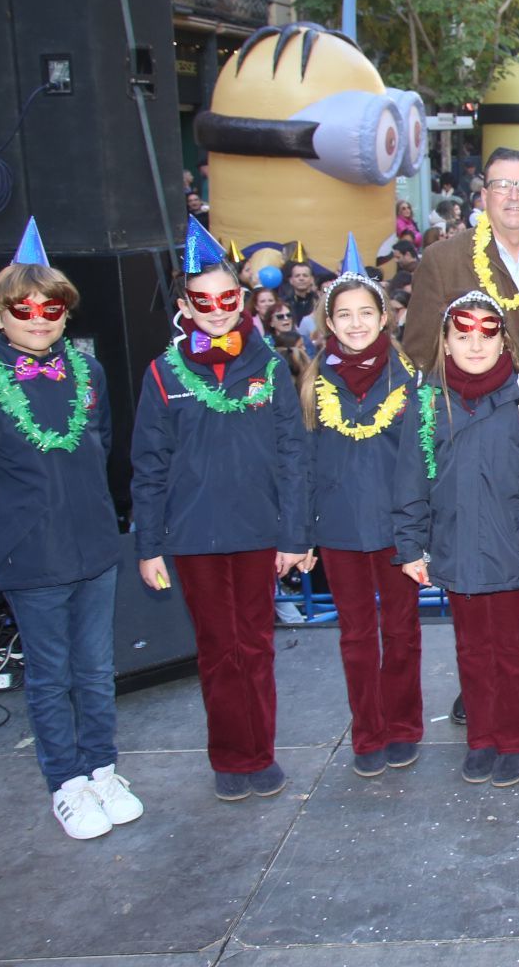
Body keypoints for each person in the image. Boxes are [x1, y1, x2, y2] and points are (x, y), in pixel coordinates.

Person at [0, 220, 143, 840]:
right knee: (51, 676)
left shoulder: (91, 377)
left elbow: (103, 446)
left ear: (65, 313)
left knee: (95, 670)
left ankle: (102, 768)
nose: (38, 317)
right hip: (32, 560)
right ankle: (67, 783)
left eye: (50, 307)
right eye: (22, 308)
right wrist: (12, 527)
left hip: (93, 548)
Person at [131, 218, 312, 804]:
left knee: (256, 644)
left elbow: (292, 451)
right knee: (217, 648)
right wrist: (149, 544)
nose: (215, 309)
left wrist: (293, 532)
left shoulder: (266, 366)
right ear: (186, 303)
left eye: (227, 298)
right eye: (202, 300)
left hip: (258, 530)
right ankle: (231, 757)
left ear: (242, 300)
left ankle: (261, 753)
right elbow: (149, 463)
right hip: (191, 535)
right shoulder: (162, 373)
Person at [404, 147, 519, 722]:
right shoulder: (443, 259)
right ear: (483, 194)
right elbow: (417, 350)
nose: (514, 196)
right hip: (470, 427)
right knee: (481, 561)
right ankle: (478, 677)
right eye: (502, 185)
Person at [398, 290, 519, 787]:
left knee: (512, 648)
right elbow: (410, 478)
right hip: (455, 545)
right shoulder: (426, 401)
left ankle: (515, 739)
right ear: (445, 342)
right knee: (470, 647)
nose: (474, 345)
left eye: (486, 335)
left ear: (503, 340)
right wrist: (410, 545)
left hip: (511, 546)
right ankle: (482, 737)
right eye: (462, 335)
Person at [298, 237, 428, 779]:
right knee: (355, 636)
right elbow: (300, 464)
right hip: (341, 529)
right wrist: (301, 533)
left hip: (396, 528)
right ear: (329, 322)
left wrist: (420, 532)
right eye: (344, 315)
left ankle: (403, 726)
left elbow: (423, 462)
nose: (355, 324)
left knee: (401, 632)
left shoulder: (409, 381)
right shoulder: (310, 383)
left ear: (385, 318)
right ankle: (367, 730)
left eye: (365, 313)